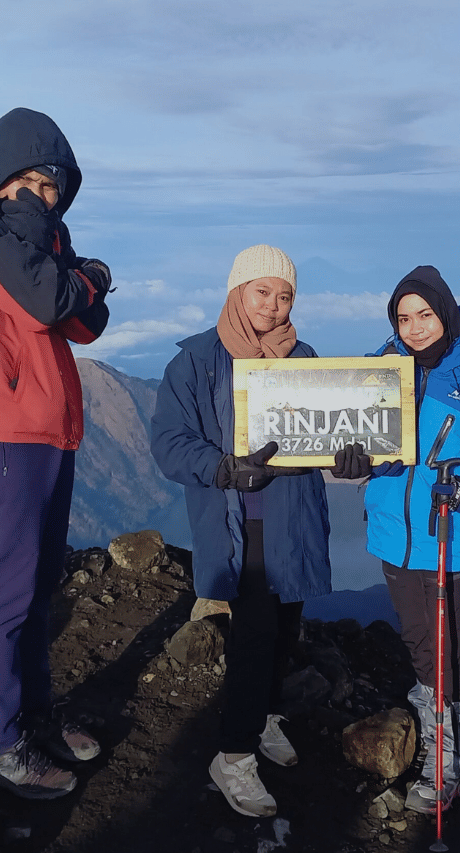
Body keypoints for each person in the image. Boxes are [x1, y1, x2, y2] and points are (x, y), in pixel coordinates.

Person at [0, 107, 112, 800]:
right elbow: (44, 302)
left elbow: (87, 321)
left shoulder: (40, 232)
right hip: (4, 430)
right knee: (5, 594)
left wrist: (76, 271)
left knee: (37, 590)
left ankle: (33, 716)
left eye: (54, 187)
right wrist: (79, 267)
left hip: (53, 430)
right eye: (34, 182)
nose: (44, 197)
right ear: (2, 175)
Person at [332, 265, 460, 813]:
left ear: (444, 311)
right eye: (403, 317)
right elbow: (350, 437)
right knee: (422, 641)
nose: (415, 327)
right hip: (397, 532)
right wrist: (350, 462)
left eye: (424, 314)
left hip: (453, 529)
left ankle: (452, 744)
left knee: (454, 641)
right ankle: (445, 737)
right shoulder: (379, 371)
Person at [150, 245, 331, 818]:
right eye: (262, 293)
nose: (273, 307)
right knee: (253, 637)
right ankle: (233, 755)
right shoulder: (197, 361)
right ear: (236, 292)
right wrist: (223, 468)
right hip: (239, 523)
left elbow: (330, 429)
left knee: (286, 628)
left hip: (292, 519)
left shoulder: (303, 357)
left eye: (284, 297)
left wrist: (353, 457)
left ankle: (265, 715)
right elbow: (169, 443)